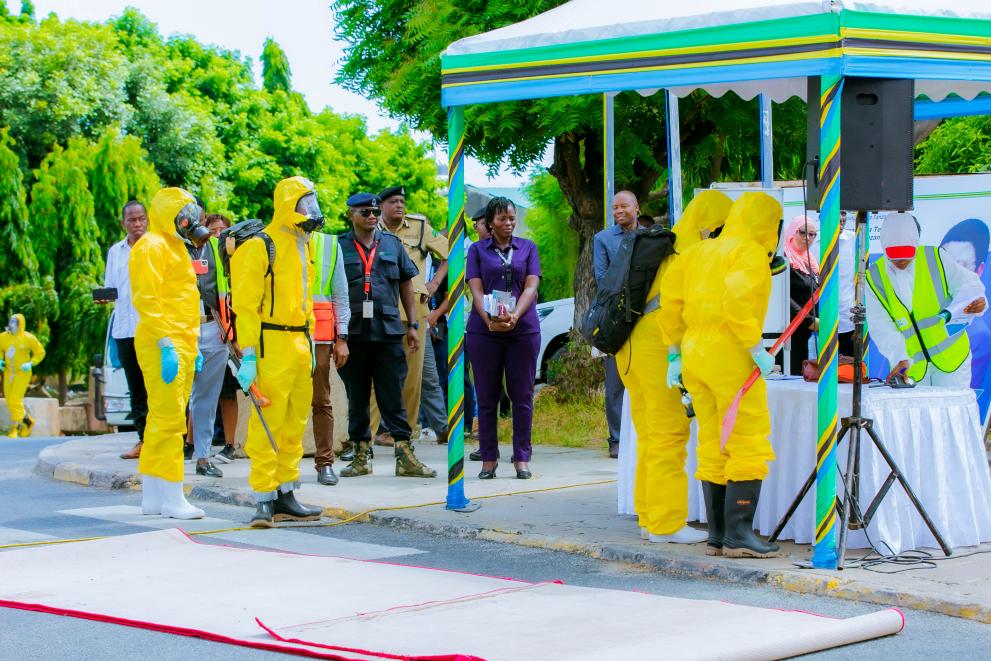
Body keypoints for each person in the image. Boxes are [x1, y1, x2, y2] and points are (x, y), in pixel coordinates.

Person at [660, 191, 784, 558]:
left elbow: (672, 303)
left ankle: (717, 534)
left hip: (694, 353)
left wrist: (673, 353)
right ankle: (739, 535)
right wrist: (755, 348)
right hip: (730, 352)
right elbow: (737, 299)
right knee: (746, 436)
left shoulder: (697, 251)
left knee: (712, 437)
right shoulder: (747, 252)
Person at [616, 190, 733, 545]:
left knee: (649, 436)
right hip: (657, 345)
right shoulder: (690, 250)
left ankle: (650, 517)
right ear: (711, 224)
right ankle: (667, 525)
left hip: (629, 345)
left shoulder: (664, 243)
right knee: (669, 435)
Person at [231, 176, 325, 527]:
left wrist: (312, 343)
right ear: (288, 203)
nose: (310, 210)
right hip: (271, 345)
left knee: (294, 423)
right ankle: (263, 498)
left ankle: (287, 492)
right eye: (304, 202)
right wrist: (250, 354)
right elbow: (246, 306)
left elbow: (306, 300)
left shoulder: (305, 244)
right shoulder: (259, 246)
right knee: (267, 423)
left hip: (301, 344)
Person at [336, 192, 436, 478]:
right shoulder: (338, 247)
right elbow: (331, 291)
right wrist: (338, 337)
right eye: (364, 212)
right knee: (357, 396)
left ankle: (404, 454)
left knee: (393, 394)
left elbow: (407, 283)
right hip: (353, 332)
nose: (370, 216)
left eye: (373, 212)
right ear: (351, 215)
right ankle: (361, 455)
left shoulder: (391, 244)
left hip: (389, 331)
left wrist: (413, 326)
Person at [129, 187, 209, 520]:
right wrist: (165, 345)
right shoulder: (151, 246)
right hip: (164, 343)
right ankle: (174, 496)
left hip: (181, 343)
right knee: (171, 423)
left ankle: (152, 498)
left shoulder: (176, 246)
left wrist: (193, 347)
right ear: (169, 214)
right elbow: (148, 301)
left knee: (159, 423)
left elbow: (183, 299)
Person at [866, 212, 988, 388]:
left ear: (916, 243)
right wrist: (899, 356)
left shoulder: (936, 257)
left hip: (951, 360)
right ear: (884, 247)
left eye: (907, 253)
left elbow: (968, 285)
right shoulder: (874, 277)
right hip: (912, 367)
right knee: (919, 415)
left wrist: (978, 300)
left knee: (951, 413)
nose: (901, 260)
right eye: (894, 254)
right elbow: (881, 325)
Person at [466, 197, 541, 480]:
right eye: (502, 219)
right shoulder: (476, 250)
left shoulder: (528, 248)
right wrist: (488, 320)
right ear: (489, 223)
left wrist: (514, 317)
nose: (508, 223)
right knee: (486, 397)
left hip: (522, 330)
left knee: (522, 395)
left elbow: (531, 286)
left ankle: (522, 457)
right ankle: (488, 458)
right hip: (485, 332)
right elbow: (475, 289)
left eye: (511, 218)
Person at [369, 185, 450, 447]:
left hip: (415, 311)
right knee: (376, 377)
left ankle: (404, 434)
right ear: (381, 206)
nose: (400, 206)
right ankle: (367, 437)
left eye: (402, 201)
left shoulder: (420, 226)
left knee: (414, 379)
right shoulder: (370, 226)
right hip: (379, 312)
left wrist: (435, 283)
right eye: (393, 201)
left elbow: (452, 254)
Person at [183, 206, 229, 479]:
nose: (199, 226)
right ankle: (168, 456)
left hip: (213, 328)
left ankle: (203, 456)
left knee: (207, 399)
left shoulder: (218, 248)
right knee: (175, 399)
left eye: (202, 220)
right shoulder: (169, 249)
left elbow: (229, 287)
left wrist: (230, 329)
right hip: (180, 332)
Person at [593, 191, 639, 458]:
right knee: (615, 382)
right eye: (614, 207)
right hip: (615, 319)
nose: (619, 211)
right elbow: (602, 278)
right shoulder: (603, 239)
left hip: (645, 316)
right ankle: (617, 439)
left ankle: (641, 434)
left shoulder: (650, 236)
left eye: (624, 206)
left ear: (636, 207)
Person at [104, 201, 149, 459]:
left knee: (156, 386)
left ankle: (164, 441)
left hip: (151, 328)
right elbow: (110, 287)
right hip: (124, 329)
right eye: (132, 220)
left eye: (141, 219)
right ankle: (143, 440)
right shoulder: (115, 252)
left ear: (148, 219)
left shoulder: (156, 248)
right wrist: (104, 296)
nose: (137, 224)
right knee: (136, 388)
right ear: (124, 223)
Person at [310, 229, 351, 486]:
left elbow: (340, 294)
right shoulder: (271, 240)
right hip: (280, 332)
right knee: (283, 402)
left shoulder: (327, 243)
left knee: (321, 400)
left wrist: (342, 337)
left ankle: (325, 463)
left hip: (320, 335)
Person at [204, 213, 240, 465]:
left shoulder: (239, 259)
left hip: (229, 334)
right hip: (204, 328)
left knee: (229, 392)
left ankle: (229, 444)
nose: (218, 235)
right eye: (213, 231)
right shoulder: (198, 257)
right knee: (200, 392)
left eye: (222, 230)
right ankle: (193, 444)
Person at [784, 215, 820, 375]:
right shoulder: (785, 259)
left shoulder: (809, 261)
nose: (808, 238)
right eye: (803, 232)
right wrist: (808, 321)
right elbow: (782, 297)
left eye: (813, 234)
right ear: (793, 232)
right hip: (789, 334)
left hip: (807, 332)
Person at [1, 314, 45, 438]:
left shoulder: (28, 338)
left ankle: (15, 428)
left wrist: (31, 363)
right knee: (10, 401)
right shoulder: (3, 337)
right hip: (9, 372)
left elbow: (40, 352)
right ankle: (27, 421)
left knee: (15, 399)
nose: (11, 324)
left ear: (20, 324)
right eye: (11, 322)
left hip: (22, 373)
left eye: (15, 322)